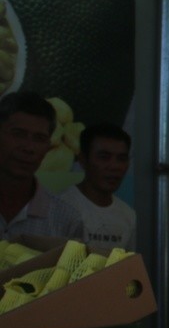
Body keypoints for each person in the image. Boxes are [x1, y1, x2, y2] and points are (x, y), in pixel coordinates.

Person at [0, 91, 85, 241]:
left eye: (39, 138)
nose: (29, 147)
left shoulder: (67, 221)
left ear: (48, 146)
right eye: (18, 134)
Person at [59, 122, 137, 250]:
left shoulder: (128, 216)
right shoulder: (62, 208)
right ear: (83, 160)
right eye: (104, 157)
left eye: (121, 159)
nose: (114, 167)